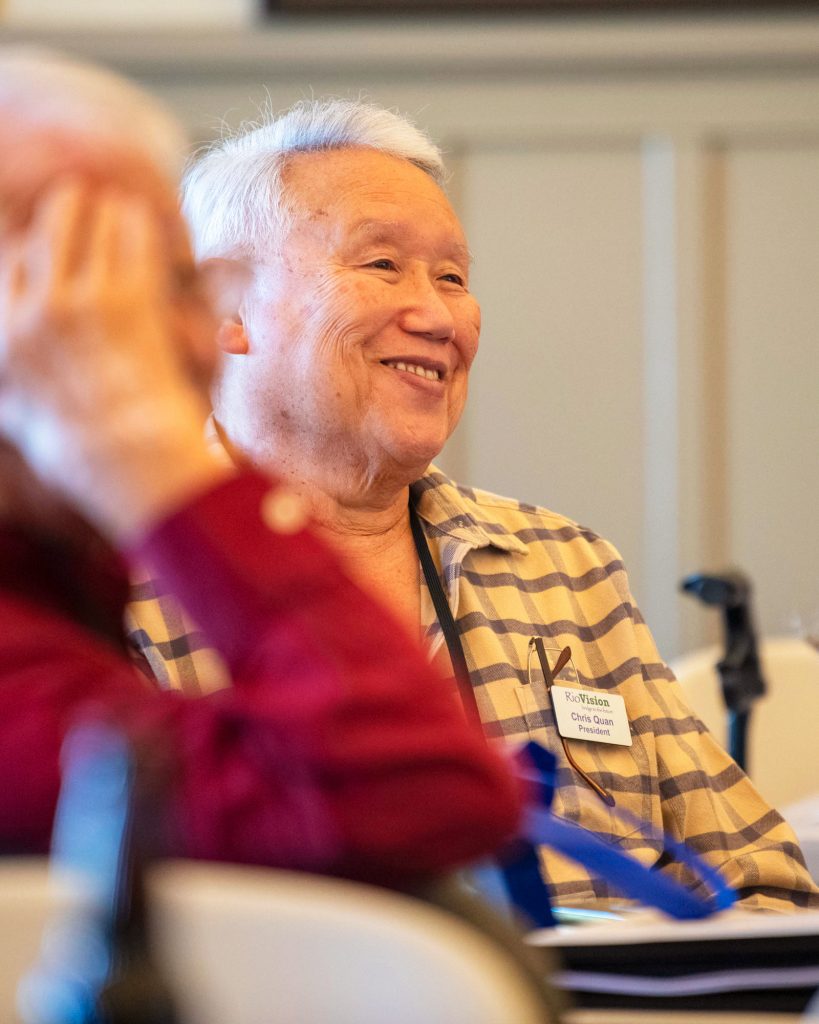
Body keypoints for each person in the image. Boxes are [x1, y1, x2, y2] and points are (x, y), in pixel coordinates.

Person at [126, 95, 819, 913]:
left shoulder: (562, 565)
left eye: (453, 277)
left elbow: (765, 886)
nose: (436, 315)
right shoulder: (123, 576)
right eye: (381, 265)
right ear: (223, 311)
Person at [0, 49, 526, 887]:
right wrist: (157, 457)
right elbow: (425, 796)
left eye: (179, 285)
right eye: (107, 284)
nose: (183, 336)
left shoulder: (64, 571)